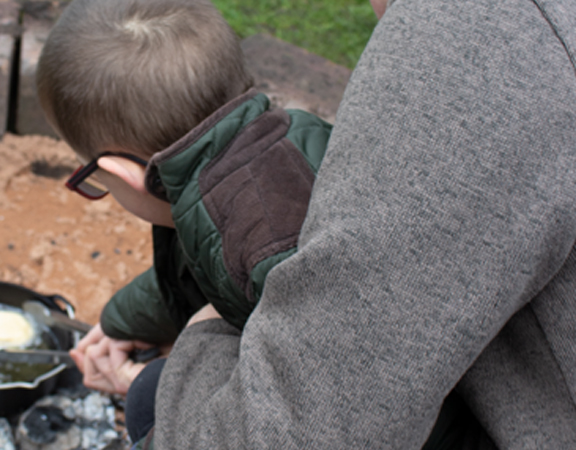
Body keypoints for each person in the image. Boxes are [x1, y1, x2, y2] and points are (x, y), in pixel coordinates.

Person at [36, 0, 490, 447]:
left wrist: (162, 398)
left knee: (147, 400)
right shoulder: (260, 149)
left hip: (422, 421)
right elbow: (194, 263)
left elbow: (328, 415)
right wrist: (119, 320)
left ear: (121, 174)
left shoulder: (267, 247)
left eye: (90, 180)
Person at [140, 0, 574, 448]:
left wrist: (200, 339)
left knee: (148, 397)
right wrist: (127, 320)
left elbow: (311, 425)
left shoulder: (478, 36)